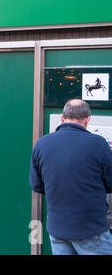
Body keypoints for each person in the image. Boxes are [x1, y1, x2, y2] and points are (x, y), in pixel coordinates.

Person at [30, 99, 112, 255]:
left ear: (62, 117)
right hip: (91, 229)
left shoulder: (42, 144)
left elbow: (37, 185)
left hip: (58, 229)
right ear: (87, 120)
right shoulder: (99, 143)